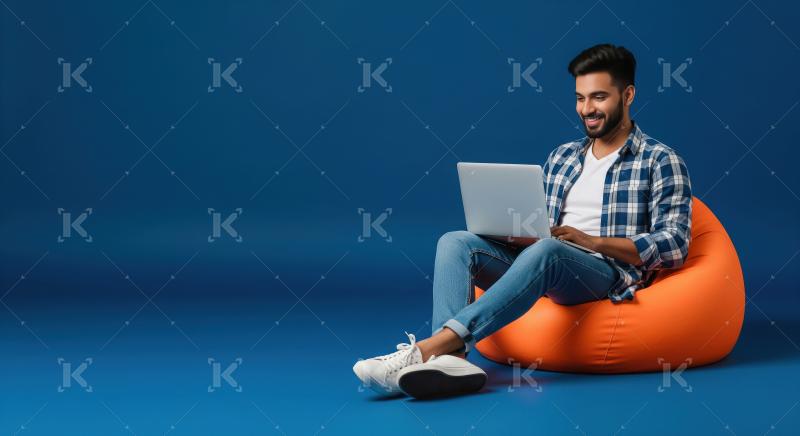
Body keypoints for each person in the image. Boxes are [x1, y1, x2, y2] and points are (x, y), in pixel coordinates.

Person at [353, 43, 693, 399]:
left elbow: (675, 246)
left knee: (550, 250)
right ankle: (451, 361)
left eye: (598, 97)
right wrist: (517, 234)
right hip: (546, 259)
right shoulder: (562, 156)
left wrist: (591, 242)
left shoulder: (660, 160)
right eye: (579, 98)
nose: (586, 109)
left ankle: (426, 349)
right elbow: (543, 227)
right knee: (455, 242)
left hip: (604, 272)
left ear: (628, 95)